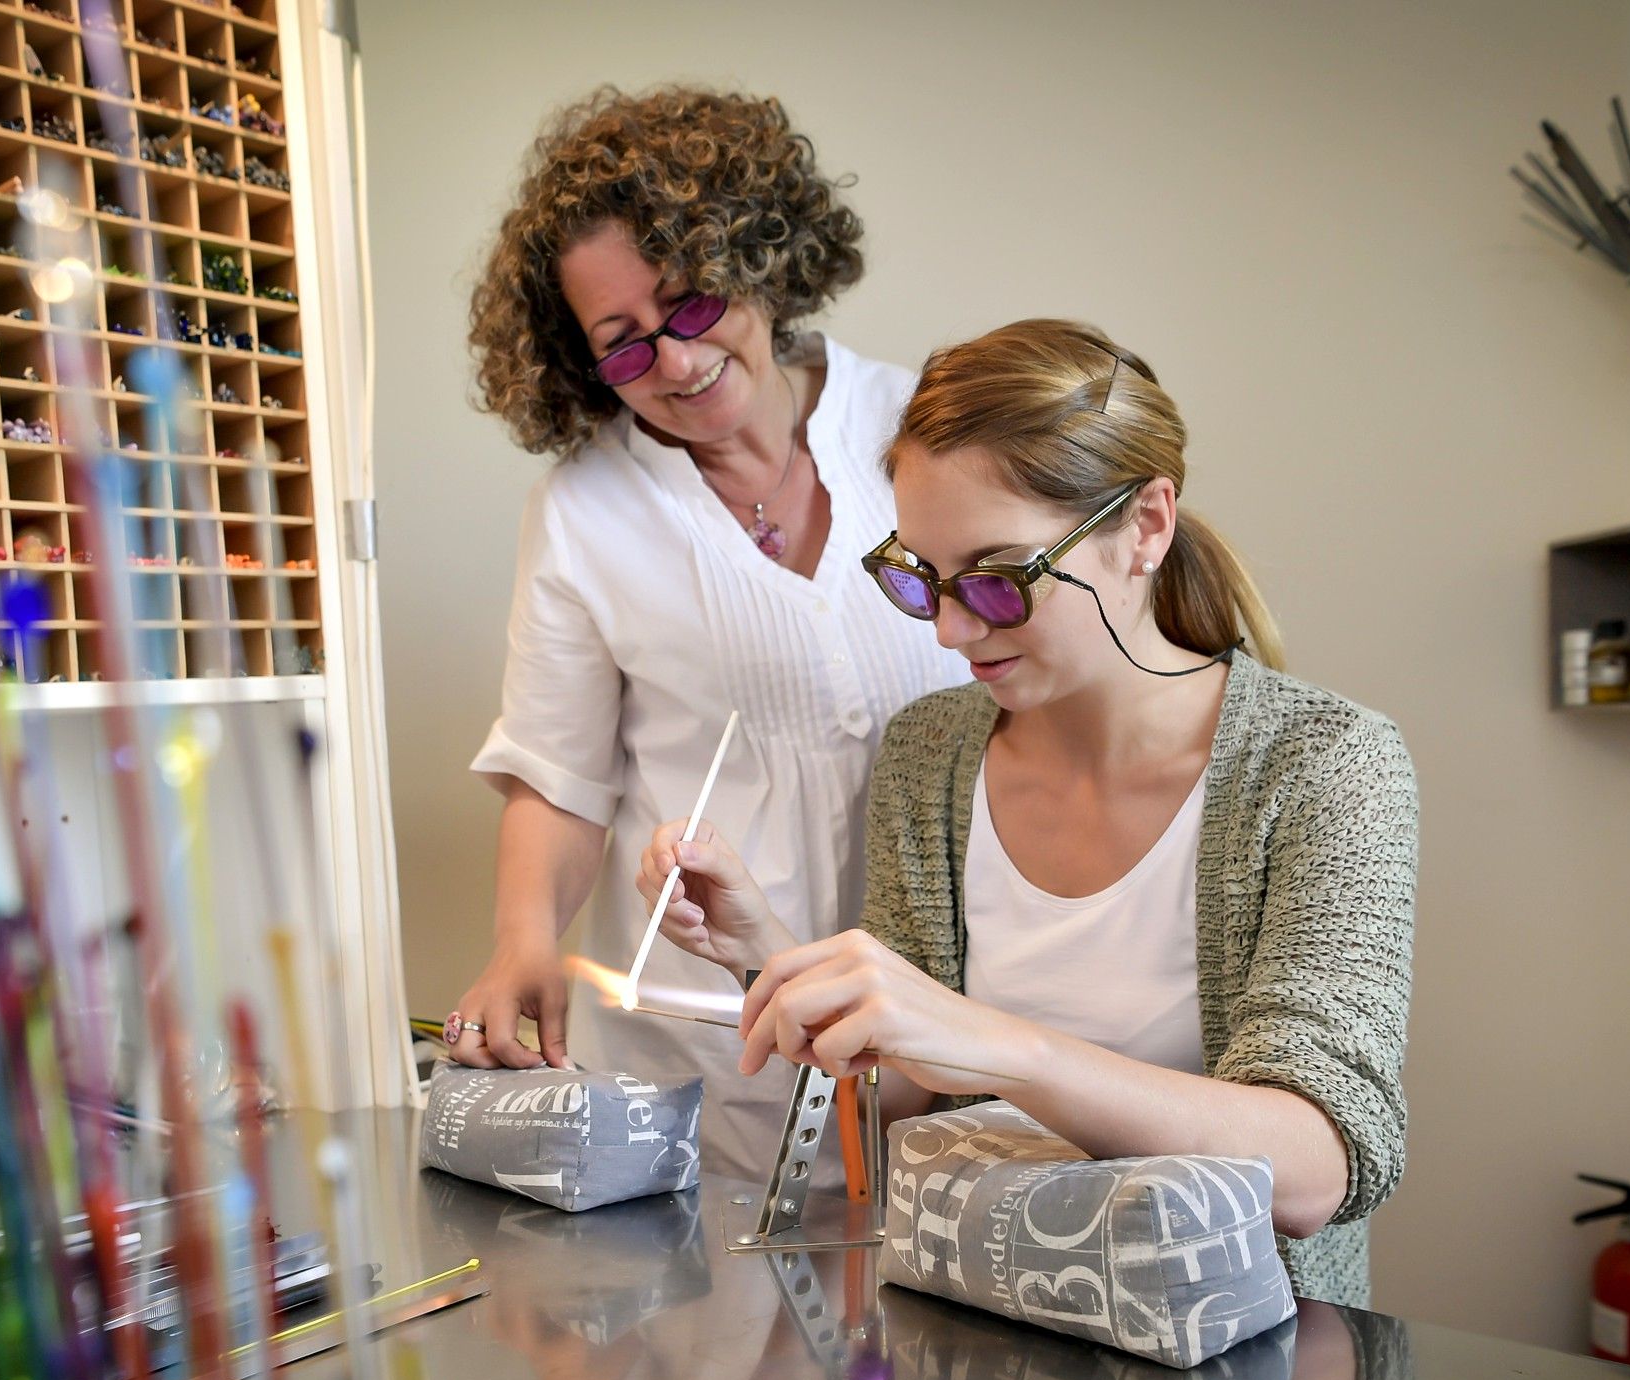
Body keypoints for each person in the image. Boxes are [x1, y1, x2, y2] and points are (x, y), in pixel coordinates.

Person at [638, 319, 1417, 1303]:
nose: (954, 628)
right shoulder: (930, 753)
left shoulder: (1323, 766)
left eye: (999, 579)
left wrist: (1001, 1044)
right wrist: (771, 952)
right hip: (976, 1346)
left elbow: (1318, 1163)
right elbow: (910, 1090)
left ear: (1146, 525)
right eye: (920, 576)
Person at [448, 86, 964, 1178]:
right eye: (623, 347)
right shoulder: (586, 509)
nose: (675, 363)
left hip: (940, 1024)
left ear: (762, 258)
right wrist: (521, 943)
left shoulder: (919, 426)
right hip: (703, 1048)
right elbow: (559, 775)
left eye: (689, 306)